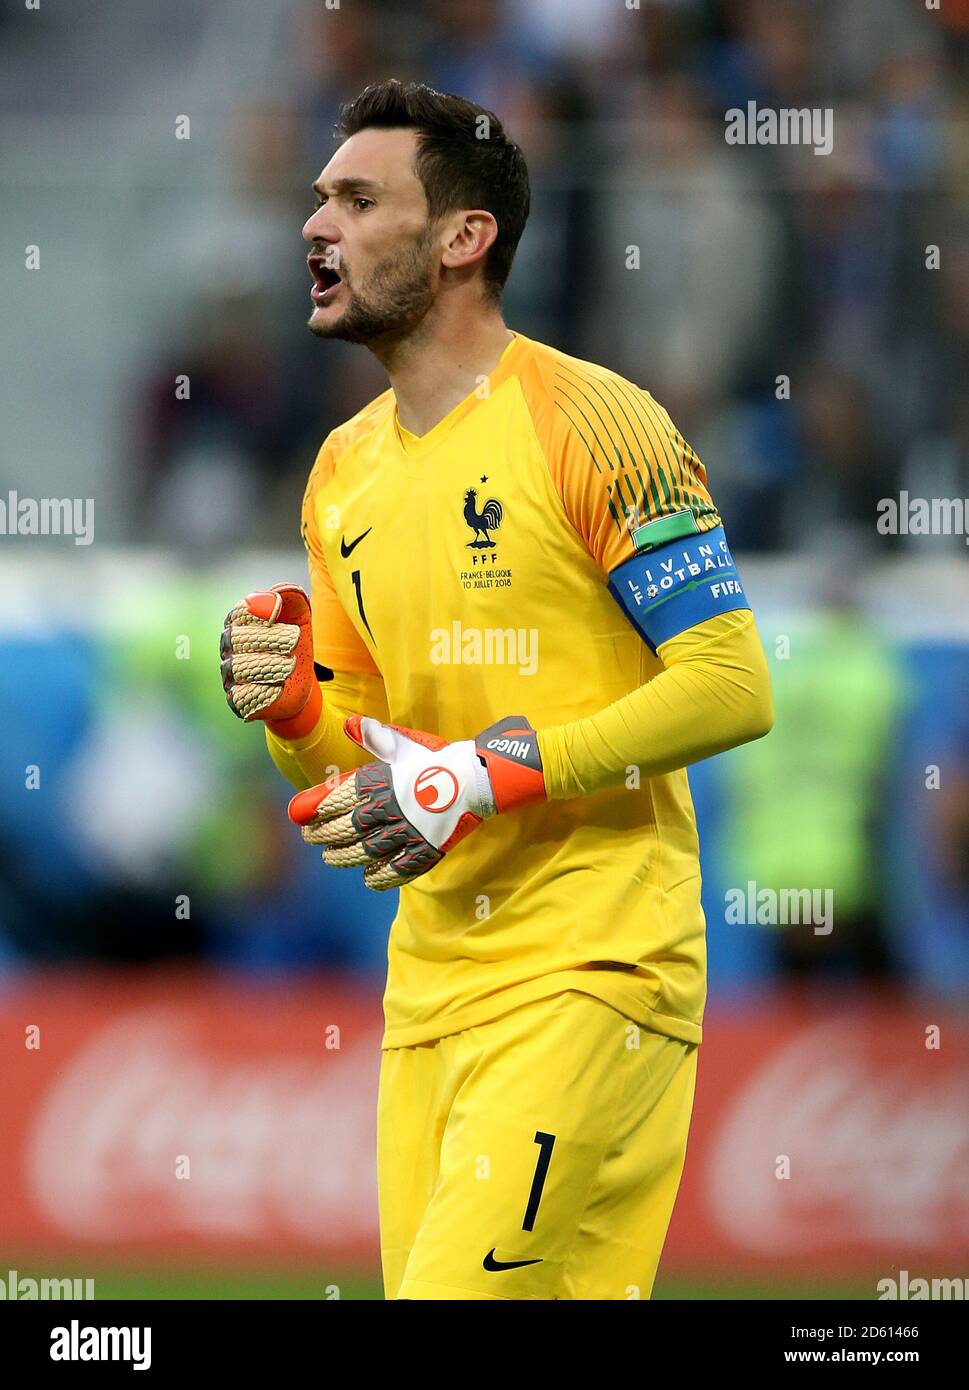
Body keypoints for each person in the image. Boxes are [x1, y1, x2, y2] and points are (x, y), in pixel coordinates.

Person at [220, 79, 774, 1301]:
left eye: (359, 200)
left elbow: (734, 684)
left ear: (463, 238)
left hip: (593, 968)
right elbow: (372, 771)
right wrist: (296, 714)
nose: (316, 224)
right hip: (430, 990)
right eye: (320, 199)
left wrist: (485, 773)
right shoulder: (341, 473)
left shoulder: (597, 421)